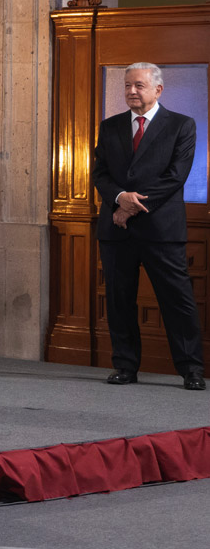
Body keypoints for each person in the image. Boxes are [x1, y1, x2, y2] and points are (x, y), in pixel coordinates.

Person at [93, 63, 204, 390]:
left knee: (177, 301)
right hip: (116, 231)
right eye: (127, 85)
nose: (131, 91)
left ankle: (191, 370)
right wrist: (119, 198)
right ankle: (125, 366)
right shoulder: (110, 126)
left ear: (158, 89)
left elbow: (175, 176)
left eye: (138, 85)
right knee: (119, 299)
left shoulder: (182, 125)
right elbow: (100, 174)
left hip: (161, 230)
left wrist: (127, 207)